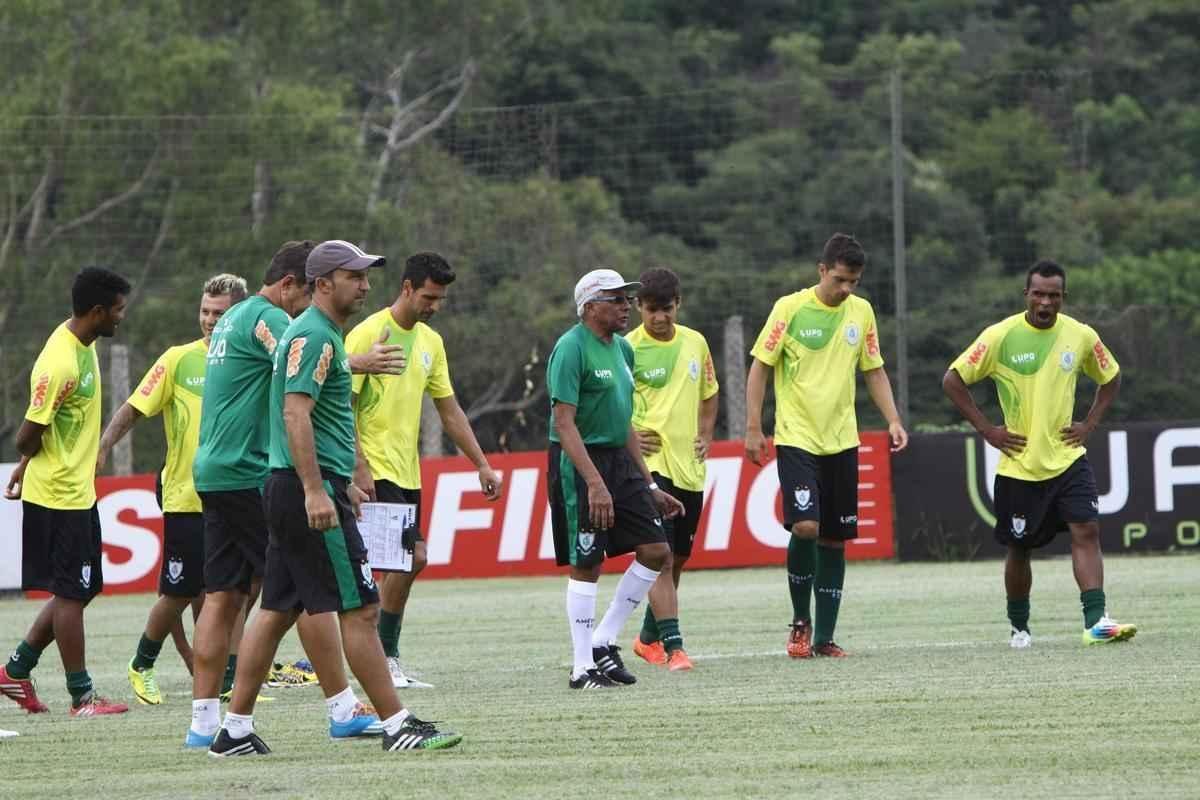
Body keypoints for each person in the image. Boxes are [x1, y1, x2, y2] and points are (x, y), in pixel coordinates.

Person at [210, 240, 462, 755]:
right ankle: (396, 724)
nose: (366, 286)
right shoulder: (316, 336)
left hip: (301, 484)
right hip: (307, 489)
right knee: (362, 609)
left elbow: (316, 418)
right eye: (354, 276)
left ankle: (233, 730)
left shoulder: (320, 333)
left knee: (275, 609)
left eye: (366, 276)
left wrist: (342, 478)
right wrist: (315, 488)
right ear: (322, 284)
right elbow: (295, 412)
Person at [186, 241, 403, 748]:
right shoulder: (270, 318)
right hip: (253, 468)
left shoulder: (233, 317)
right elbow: (299, 360)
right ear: (291, 285)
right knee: (314, 592)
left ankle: (207, 722)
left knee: (231, 596)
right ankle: (343, 707)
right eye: (306, 293)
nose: (307, 305)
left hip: (215, 468)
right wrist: (361, 362)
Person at [942, 259, 1137, 648]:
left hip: (1068, 458)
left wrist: (1089, 423)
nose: (1045, 302)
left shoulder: (1080, 335)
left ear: (1064, 297)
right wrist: (988, 430)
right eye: (1038, 294)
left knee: (1087, 530)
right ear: (1026, 294)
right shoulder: (1000, 336)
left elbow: (1111, 376)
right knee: (1020, 548)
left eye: (1054, 295)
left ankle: (1096, 622)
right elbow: (953, 380)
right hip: (1020, 466)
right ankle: (1020, 628)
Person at [745, 233, 908, 659]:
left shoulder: (862, 312)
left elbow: (874, 370)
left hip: (842, 441)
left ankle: (825, 638)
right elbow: (760, 367)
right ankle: (801, 621)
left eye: (854, 281)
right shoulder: (790, 308)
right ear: (822, 270)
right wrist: (753, 427)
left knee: (835, 539)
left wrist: (893, 419)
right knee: (805, 527)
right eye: (839, 279)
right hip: (797, 437)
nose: (846, 289)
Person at [344, 251, 502, 689]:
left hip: (407, 472)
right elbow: (342, 403)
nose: (435, 306)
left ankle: (376, 657)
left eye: (441, 299)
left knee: (396, 565)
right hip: (374, 469)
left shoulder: (431, 343)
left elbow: (449, 410)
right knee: (409, 559)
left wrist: (482, 464)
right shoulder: (369, 333)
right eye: (429, 297)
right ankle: (381, 657)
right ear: (407, 288)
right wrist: (358, 466)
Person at [96, 274, 247, 704]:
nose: (210, 320)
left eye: (219, 314)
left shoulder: (252, 359)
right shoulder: (178, 360)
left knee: (231, 592)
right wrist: (103, 446)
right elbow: (133, 409)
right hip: (187, 496)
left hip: (235, 494)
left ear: (238, 315)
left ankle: (227, 680)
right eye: (205, 311)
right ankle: (142, 662)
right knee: (180, 590)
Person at [1, 267, 132, 716]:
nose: (121, 317)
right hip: (57, 496)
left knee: (81, 588)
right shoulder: (59, 362)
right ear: (97, 312)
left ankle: (15, 670)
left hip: (76, 492)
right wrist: (26, 461)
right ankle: (82, 697)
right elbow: (26, 434)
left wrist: (27, 464)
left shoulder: (85, 342)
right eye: (117, 310)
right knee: (72, 593)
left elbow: (50, 426)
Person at [547, 268, 685, 690]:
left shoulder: (624, 349)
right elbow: (564, 424)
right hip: (579, 462)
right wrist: (594, 483)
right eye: (617, 299)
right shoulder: (570, 348)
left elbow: (624, 420)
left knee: (656, 550)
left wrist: (649, 485)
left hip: (620, 462)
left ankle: (602, 641)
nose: (627, 306)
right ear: (590, 307)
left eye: (627, 299)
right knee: (587, 561)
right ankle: (581, 668)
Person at [626, 267, 719, 672]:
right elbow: (609, 401)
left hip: (688, 468)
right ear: (638, 307)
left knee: (677, 558)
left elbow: (710, 394)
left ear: (678, 304)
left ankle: (647, 639)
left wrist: (706, 434)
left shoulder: (695, 342)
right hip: (649, 467)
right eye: (651, 310)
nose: (660, 317)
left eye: (666, 308)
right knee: (660, 556)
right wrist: (629, 433)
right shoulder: (626, 348)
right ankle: (675, 648)